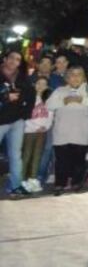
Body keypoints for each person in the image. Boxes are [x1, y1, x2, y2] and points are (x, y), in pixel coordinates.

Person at [46, 66, 88, 194]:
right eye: (72, 74)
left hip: (81, 131)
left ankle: (77, 183)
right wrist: (64, 101)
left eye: (79, 74)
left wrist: (81, 99)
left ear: (83, 77)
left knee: (79, 160)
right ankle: (60, 184)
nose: (76, 77)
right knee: (61, 160)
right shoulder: (60, 90)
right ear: (67, 77)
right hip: (62, 131)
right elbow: (48, 105)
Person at [1, 49, 35, 198]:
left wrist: (25, 115)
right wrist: (5, 97)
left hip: (17, 121)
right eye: (12, 58)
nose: (14, 62)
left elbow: (31, 95)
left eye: (17, 60)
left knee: (16, 155)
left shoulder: (22, 77)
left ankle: (15, 186)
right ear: (5, 59)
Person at [20, 75, 52, 193]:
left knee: (37, 156)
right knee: (26, 155)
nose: (41, 86)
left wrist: (45, 127)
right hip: (29, 131)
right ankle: (21, 180)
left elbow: (50, 116)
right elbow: (25, 116)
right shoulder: (29, 98)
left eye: (44, 84)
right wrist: (35, 127)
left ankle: (32, 179)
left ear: (47, 87)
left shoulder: (48, 100)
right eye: (39, 83)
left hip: (42, 132)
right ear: (34, 85)